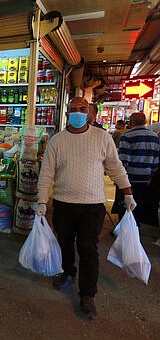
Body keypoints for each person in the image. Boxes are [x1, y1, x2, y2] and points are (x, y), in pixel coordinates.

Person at [36, 97, 135, 319]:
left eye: (83, 109)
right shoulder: (57, 141)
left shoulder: (102, 138)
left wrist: (127, 192)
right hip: (63, 203)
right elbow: (46, 174)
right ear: (67, 113)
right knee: (64, 242)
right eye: (74, 109)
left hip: (93, 206)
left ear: (90, 113)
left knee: (88, 248)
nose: (78, 113)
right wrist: (42, 200)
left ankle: (87, 294)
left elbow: (115, 167)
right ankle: (68, 272)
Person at [117, 112, 160, 224]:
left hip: (129, 178)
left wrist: (120, 178)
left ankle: (124, 228)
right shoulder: (154, 137)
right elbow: (156, 161)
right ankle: (135, 226)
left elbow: (123, 160)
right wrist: (151, 175)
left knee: (126, 203)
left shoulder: (127, 136)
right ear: (145, 122)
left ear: (130, 122)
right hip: (145, 178)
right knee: (139, 202)